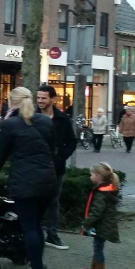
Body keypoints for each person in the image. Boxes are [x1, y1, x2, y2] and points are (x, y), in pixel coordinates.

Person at [0, 87, 57, 269]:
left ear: (12, 102)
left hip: (24, 182)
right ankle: (34, 268)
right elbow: (53, 149)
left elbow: (1, 154)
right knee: (37, 226)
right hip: (47, 181)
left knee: (28, 228)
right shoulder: (45, 121)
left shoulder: (10, 124)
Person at [36, 85, 77, 250]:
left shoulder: (62, 118)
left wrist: (61, 158)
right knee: (35, 200)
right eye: (38, 98)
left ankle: (52, 235)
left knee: (53, 201)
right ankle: (34, 232)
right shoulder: (32, 116)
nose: (40, 101)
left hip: (55, 167)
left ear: (53, 99)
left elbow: (72, 141)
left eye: (43, 98)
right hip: (35, 165)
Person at [80, 162, 121, 269]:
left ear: (98, 176)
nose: (90, 177)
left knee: (98, 248)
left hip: (102, 226)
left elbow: (96, 212)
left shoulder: (101, 193)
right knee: (97, 246)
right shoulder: (107, 190)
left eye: (91, 175)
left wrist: (86, 224)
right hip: (105, 224)